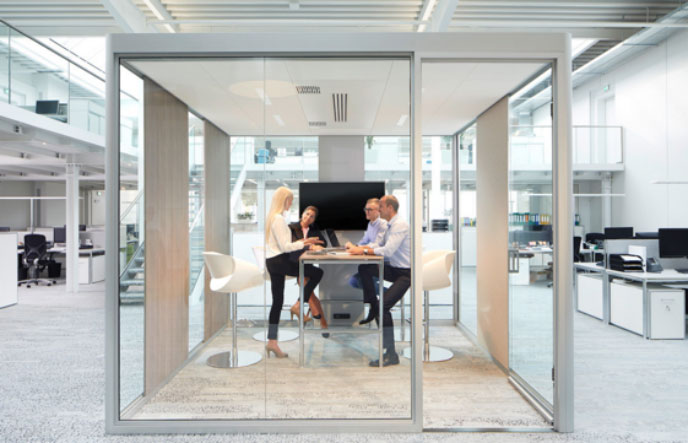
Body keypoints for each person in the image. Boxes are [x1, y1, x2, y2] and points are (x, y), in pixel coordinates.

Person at [347, 195, 410, 367]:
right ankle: (372, 305)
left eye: (381, 206)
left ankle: (391, 354)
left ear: (390, 208)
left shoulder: (400, 225)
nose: (379, 209)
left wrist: (364, 252)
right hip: (394, 269)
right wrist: (361, 250)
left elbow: (388, 251)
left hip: (405, 273)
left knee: (384, 307)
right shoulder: (390, 225)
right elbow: (377, 244)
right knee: (365, 268)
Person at [264, 187, 324, 358]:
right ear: (283, 200)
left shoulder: (272, 218)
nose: (291, 203)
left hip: (272, 262)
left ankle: (272, 342)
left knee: (277, 302)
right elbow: (286, 247)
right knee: (317, 273)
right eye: (290, 200)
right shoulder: (279, 219)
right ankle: (298, 305)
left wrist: (305, 241)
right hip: (280, 261)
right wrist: (306, 243)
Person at [288, 205, 329, 334]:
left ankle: (299, 306)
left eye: (312, 216)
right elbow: (293, 246)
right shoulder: (292, 227)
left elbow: (324, 243)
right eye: (307, 214)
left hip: (305, 264)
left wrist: (315, 245)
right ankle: (323, 324)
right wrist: (309, 247)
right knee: (316, 275)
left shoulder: (313, 229)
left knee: (307, 285)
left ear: (313, 220)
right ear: (302, 214)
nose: (308, 217)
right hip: (293, 262)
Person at [345, 198, 388, 292]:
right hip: (374, 262)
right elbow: (365, 241)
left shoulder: (383, 225)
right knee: (354, 281)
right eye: (366, 209)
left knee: (359, 281)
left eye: (370, 210)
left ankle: (391, 294)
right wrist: (354, 246)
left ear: (379, 211)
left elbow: (377, 245)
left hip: (385, 264)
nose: (367, 212)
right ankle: (387, 297)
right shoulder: (370, 224)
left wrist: (357, 248)